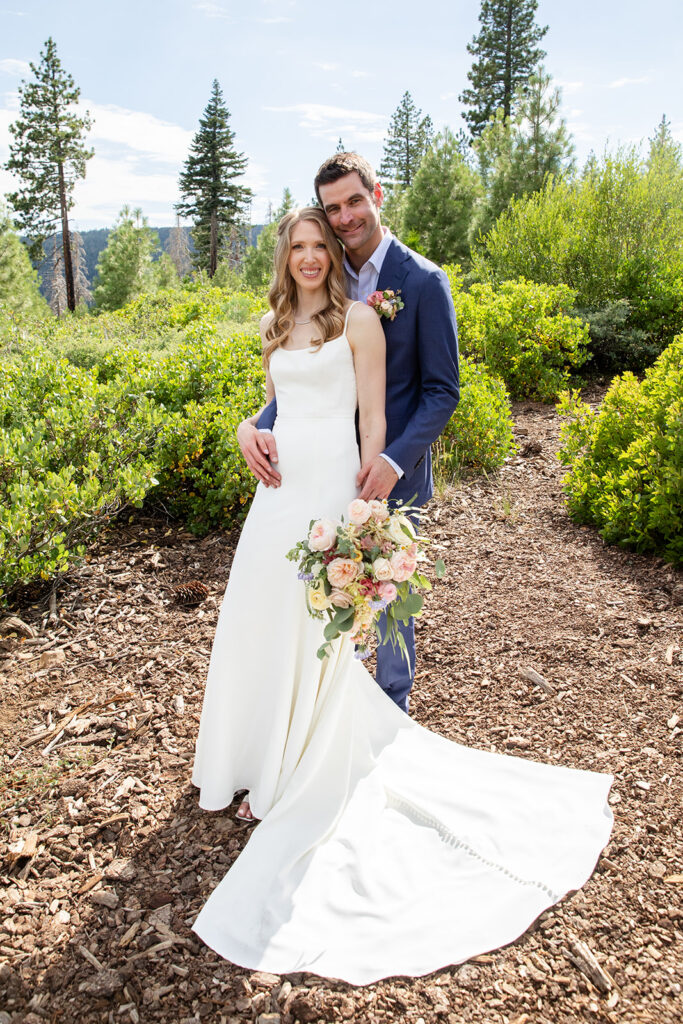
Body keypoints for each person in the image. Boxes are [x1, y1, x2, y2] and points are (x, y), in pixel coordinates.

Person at [191, 201, 613, 986]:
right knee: (262, 622)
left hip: (330, 486)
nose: (311, 256)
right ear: (284, 256)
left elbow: (377, 417)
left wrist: (365, 505)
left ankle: (297, 774)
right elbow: (278, 405)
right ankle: (251, 757)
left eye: (321, 245)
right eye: (300, 246)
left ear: (334, 252)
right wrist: (249, 427)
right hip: (276, 496)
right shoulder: (272, 324)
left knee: (317, 628)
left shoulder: (359, 321)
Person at [237, 153, 460, 715]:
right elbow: (306, 383)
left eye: (354, 201)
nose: (345, 216)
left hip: (390, 470)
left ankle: (390, 720)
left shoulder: (424, 281)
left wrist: (392, 460)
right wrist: (252, 425)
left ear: (377, 195)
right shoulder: (327, 279)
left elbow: (442, 391)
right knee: (319, 601)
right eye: (333, 207)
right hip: (323, 468)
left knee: (386, 605)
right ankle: (321, 722)